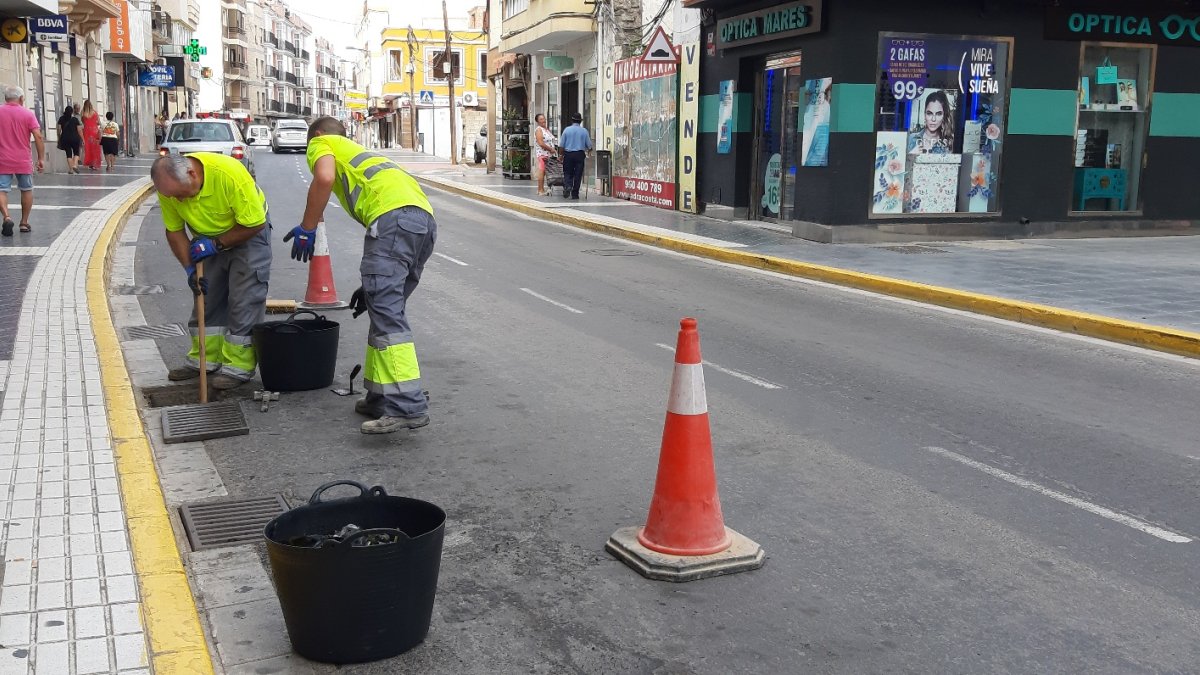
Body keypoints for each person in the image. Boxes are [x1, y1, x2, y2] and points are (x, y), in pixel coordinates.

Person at [292, 116, 435, 435]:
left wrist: (308, 227)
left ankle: (407, 405)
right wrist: (370, 285)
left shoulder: (321, 143)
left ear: (316, 135)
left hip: (392, 221)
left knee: (387, 316)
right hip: (423, 222)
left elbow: (324, 178)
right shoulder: (360, 152)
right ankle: (381, 396)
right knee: (384, 309)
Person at [151, 152, 272, 389]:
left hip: (247, 231)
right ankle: (205, 359)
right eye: (174, 196)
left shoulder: (230, 175)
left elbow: (254, 223)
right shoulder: (169, 188)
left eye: (181, 194)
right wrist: (189, 270)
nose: (179, 200)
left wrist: (216, 245)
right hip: (205, 235)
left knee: (243, 298)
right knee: (206, 295)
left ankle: (238, 366)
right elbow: (174, 231)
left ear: (192, 174)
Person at [0, 85, 45, 236]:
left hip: (2, 159)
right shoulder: (27, 114)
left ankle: (6, 217)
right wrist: (41, 158)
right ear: (21, 98)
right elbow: (38, 136)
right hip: (23, 159)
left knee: (1, 189)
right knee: (26, 189)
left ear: (6, 98)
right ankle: (24, 222)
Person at [909, 90, 955, 155]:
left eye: (938, 114)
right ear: (925, 114)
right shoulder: (911, 139)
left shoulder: (949, 143)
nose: (933, 119)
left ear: (944, 116)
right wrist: (911, 155)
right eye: (929, 113)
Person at [558, 112, 592, 199]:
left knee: (567, 172)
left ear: (572, 120)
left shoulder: (566, 130)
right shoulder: (584, 131)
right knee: (578, 174)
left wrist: (561, 155)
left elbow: (561, 146)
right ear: (580, 121)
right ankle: (575, 193)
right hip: (580, 155)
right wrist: (589, 151)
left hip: (568, 154)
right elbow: (589, 146)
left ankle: (568, 185)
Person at [532, 113, 556, 197]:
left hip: (548, 154)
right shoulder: (539, 130)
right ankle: (540, 190)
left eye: (544, 119)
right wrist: (550, 149)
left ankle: (540, 189)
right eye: (541, 119)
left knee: (544, 171)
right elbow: (541, 143)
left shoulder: (545, 129)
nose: (544, 120)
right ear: (537, 121)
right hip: (542, 154)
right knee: (542, 171)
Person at [56, 105, 82, 174]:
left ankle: (71, 170)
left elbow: (58, 129)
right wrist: (82, 139)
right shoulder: (75, 119)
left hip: (65, 138)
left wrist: (59, 137)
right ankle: (75, 165)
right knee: (76, 153)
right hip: (75, 138)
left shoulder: (61, 119)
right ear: (72, 112)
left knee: (68, 154)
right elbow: (79, 130)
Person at [80, 100, 101, 171]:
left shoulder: (83, 112)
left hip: (86, 131)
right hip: (94, 131)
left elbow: (82, 121)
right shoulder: (94, 112)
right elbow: (98, 122)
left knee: (88, 147)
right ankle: (95, 164)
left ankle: (90, 163)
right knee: (95, 147)